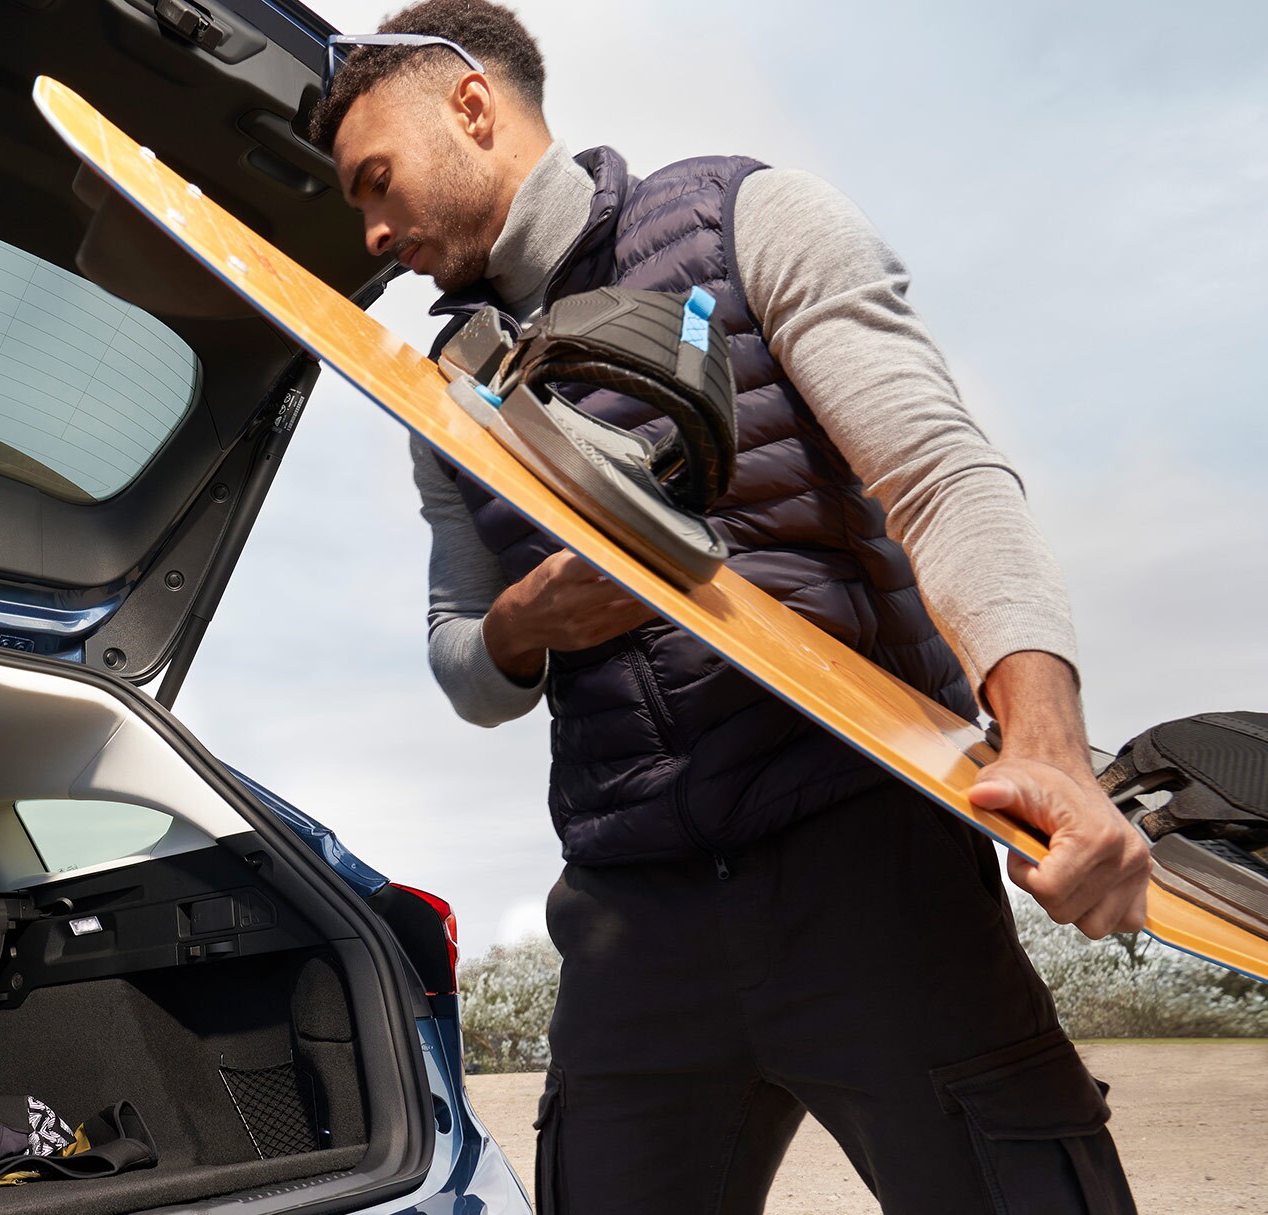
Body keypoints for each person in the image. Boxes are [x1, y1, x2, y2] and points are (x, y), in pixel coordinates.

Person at [307, 3, 1150, 1212]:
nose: (376, 229)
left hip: (866, 857)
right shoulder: (444, 405)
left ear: (472, 106)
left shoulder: (750, 217)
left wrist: (1051, 752)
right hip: (628, 905)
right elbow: (459, 662)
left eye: (374, 181)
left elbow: (942, 478)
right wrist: (525, 626)